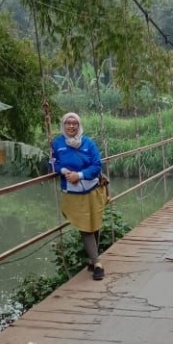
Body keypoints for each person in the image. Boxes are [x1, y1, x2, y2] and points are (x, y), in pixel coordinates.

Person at [50, 112, 107, 280]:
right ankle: (97, 264)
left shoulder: (88, 143)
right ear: (63, 125)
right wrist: (63, 170)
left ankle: (92, 258)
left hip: (92, 189)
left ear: (79, 125)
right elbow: (53, 163)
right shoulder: (57, 143)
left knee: (93, 223)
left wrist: (80, 175)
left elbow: (96, 165)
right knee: (85, 226)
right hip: (72, 192)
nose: (71, 126)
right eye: (68, 123)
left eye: (75, 123)